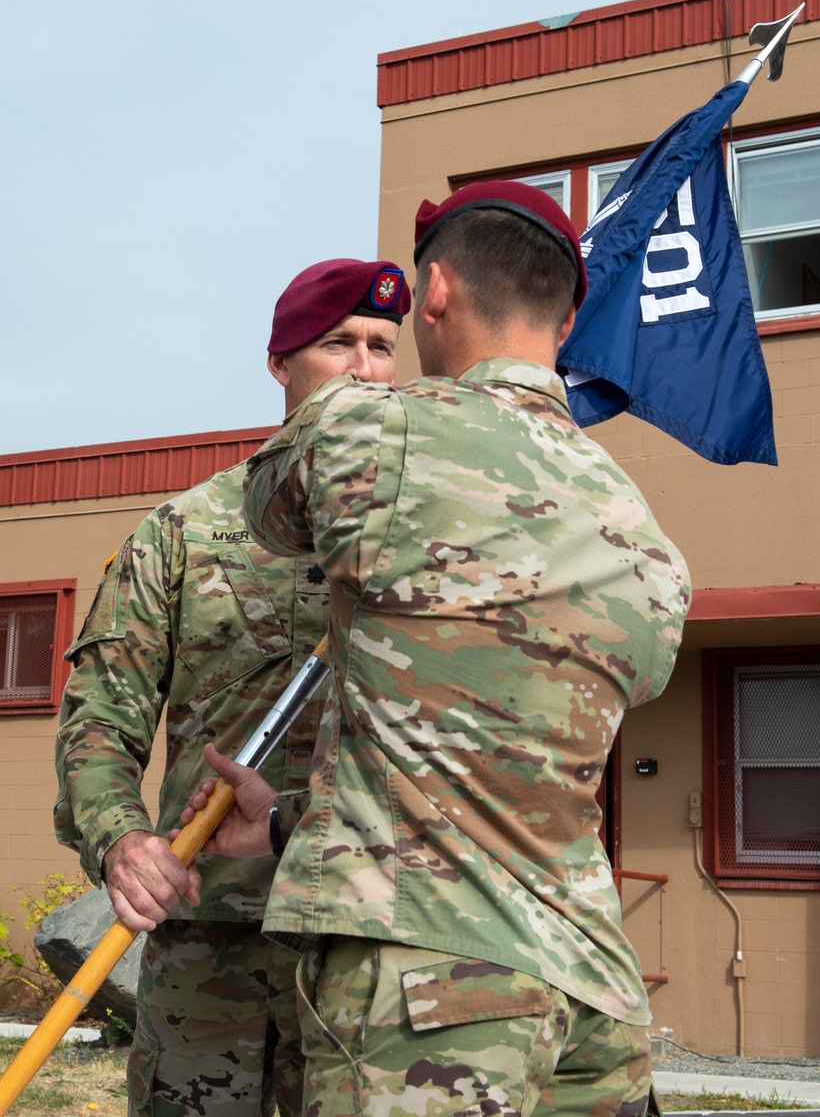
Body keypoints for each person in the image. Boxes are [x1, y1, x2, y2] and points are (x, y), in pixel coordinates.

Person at [187, 181, 691, 1117]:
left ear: (437, 294)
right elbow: (505, 779)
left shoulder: (375, 432)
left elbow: (267, 509)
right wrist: (291, 830)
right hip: (595, 1007)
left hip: (427, 999)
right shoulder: (648, 538)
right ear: (570, 317)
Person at [54, 258, 410, 1117]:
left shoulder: (432, 537)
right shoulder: (180, 534)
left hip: (370, 940)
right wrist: (120, 840)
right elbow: (99, 722)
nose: (365, 367)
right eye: (338, 344)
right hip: (212, 953)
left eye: (384, 346)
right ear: (280, 364)